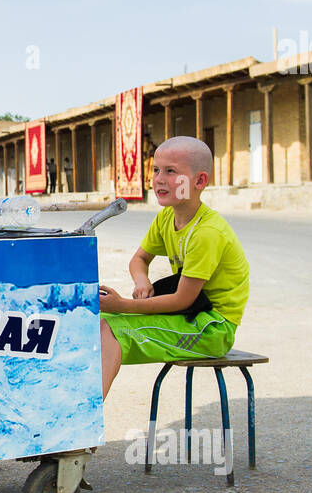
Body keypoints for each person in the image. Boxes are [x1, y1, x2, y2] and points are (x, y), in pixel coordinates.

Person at [97, 136, 249, 400]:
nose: (158, 179)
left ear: (200, 181)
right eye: (156, 170)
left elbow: (182, 299)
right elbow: (139, 259)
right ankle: (79, 420)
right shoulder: (167, 216)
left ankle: (85, 425)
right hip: (189, 316)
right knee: (94, 325)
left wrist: (122, 305)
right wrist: (142, 281)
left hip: (212, 328)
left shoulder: (207, 232)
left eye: (171, 171)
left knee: (111, 329)